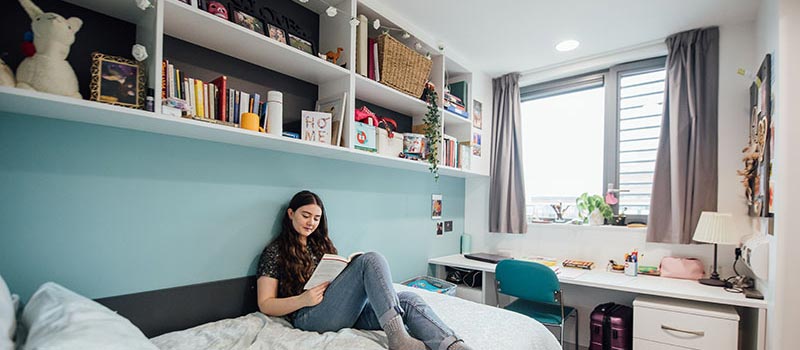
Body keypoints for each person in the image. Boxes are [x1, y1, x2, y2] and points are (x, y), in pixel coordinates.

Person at [256, 190, 472, 350]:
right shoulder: (274, 251)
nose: (311, 223)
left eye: (316, 218)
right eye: (305, 215)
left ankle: (453, 346)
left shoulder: (319, 245)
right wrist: (303, 300)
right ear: (291, 213)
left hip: (338, 309)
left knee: (407, 299)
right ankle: (398, 338)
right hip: (308, 316)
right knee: (371, 259)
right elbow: (265, 304)